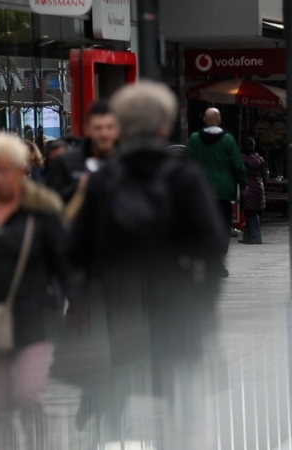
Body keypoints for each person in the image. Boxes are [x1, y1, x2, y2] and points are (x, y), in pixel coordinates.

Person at [68, 82, 226, 450]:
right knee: (180, 387)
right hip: (177, 298)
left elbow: (77, 247)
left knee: (120, 376)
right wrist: (204, 295)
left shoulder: (104, 178)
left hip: (119, 301)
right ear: (163, 126)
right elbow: (213, 240)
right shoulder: (182, 175)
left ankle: (115, 434)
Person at [0, 133, 67, 449]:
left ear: (21, 170)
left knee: (26, 394)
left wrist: (78, 300)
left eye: (5, 169)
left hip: (35, 320)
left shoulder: (43, 212)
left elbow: (64, 263)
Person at [186, 107, 247, 276]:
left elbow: (187, 163)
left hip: (200, 191)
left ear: (204, 120)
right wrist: (243, 183)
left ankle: (206, 258)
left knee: (203, 225)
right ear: (219, 120)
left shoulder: (195, 139)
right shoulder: (228, 140)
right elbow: (237, 164)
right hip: (223, 191)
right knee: (223, 225)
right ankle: (219, 256)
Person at [46, 100, 119, 203]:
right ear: (87, 129)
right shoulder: (66, 163)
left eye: (109, 127)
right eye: (98, 128)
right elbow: (54, 202)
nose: (104, 133)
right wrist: (80, 187)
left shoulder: (127, 162)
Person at [239, 139, 267, 245]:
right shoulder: (259, 159)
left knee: (250, 213)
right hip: (258, 187)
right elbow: (264, 176)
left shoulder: (241, 159)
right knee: (254, 212)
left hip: (248, 187)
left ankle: (256, 237)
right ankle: (247, 237)